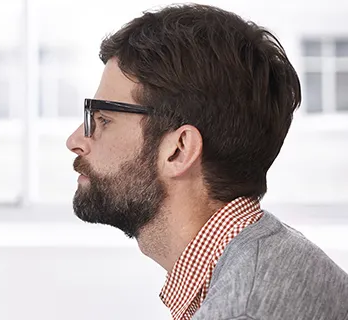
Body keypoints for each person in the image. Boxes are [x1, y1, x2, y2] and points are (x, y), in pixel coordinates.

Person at [66, 3, 348, 320]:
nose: (75, 141)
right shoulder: (269, 255)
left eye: (103, 120)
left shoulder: (242, 310)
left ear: (179, 149)